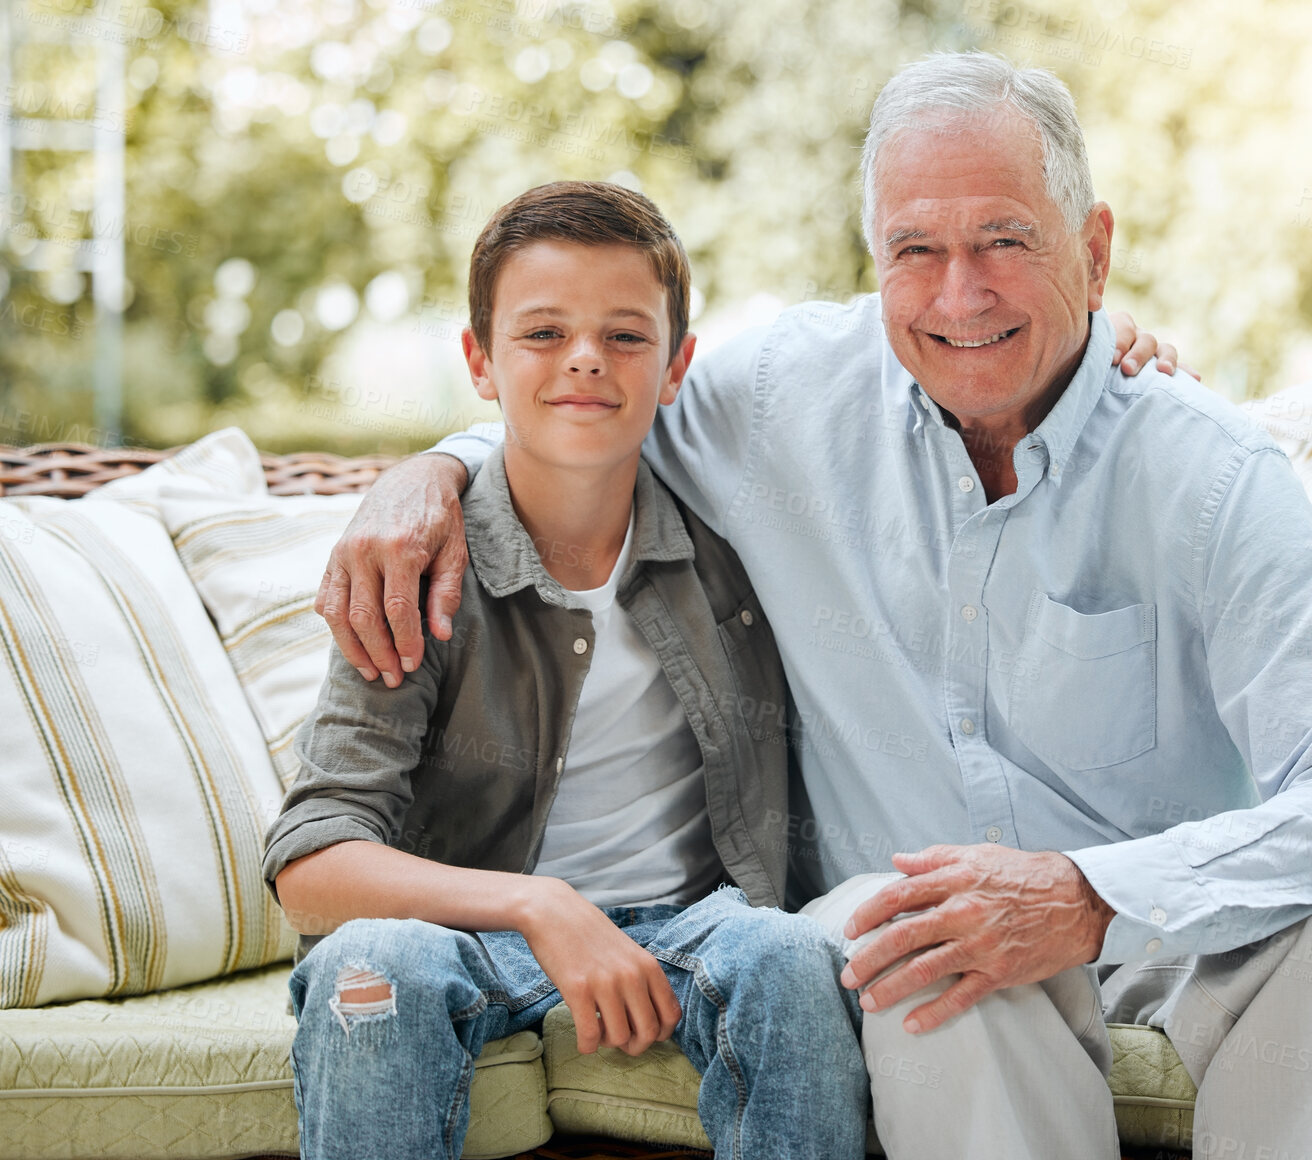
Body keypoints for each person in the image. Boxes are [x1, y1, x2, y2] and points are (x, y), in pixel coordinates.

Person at [320, 52, 1312, 1160]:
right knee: (921, 944)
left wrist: (1090, 894)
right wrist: (435, 472)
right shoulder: (784, 399)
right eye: (915, 250)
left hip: (1182, 928)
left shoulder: (1209, 471)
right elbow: (585, 401)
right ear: (873, 259)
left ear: (1095, 250)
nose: (960, 295)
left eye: (1005, 240)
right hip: (926, 941)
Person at [263, 180, 869, 1160]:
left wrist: (1098, 334)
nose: (586, 357)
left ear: (676, 367)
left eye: (626, 337)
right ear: (480, 361)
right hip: (466, 931)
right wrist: (540, 906)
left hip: (693, 925)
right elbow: (311, 866)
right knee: (371, 967)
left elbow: (924, 392)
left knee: (789, 959)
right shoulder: (418, 565)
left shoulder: (742, 541)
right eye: (543, 333)